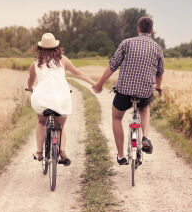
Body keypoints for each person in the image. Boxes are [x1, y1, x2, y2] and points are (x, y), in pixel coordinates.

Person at [93, 17, 164, 165]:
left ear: (138, 29)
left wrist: (100, 83)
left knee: (117, 117)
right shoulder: (157, 48)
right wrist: (158, 86)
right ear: (151, 30)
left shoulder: (127, 43)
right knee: (144, 109)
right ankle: (145, 137)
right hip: (144, 92)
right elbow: (160, 72)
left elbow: (113, 66)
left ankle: (120, 156)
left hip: (124, 91)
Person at [28, 33, 95, 165]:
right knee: (60, 125)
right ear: (56, 47)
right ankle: (62, 152)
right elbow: (78, 73)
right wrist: (93, 83)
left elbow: (30, 82)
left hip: (41, 99)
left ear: (40, 48)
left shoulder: (35, 64)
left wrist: (31, 89)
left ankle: (39, 152)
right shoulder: (63, 60)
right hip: (61, 98)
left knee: (41, 122)